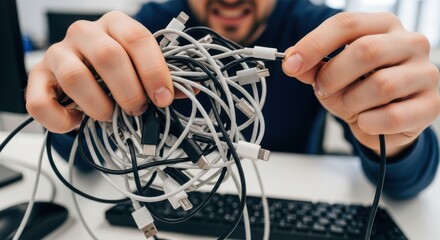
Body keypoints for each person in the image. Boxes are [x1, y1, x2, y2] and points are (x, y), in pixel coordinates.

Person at [25, 0, 440, 199]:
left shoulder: (320, 33)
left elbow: (406, 186)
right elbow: (80, 158)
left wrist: (394, 136)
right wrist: (72, 106)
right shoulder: (154, 30)